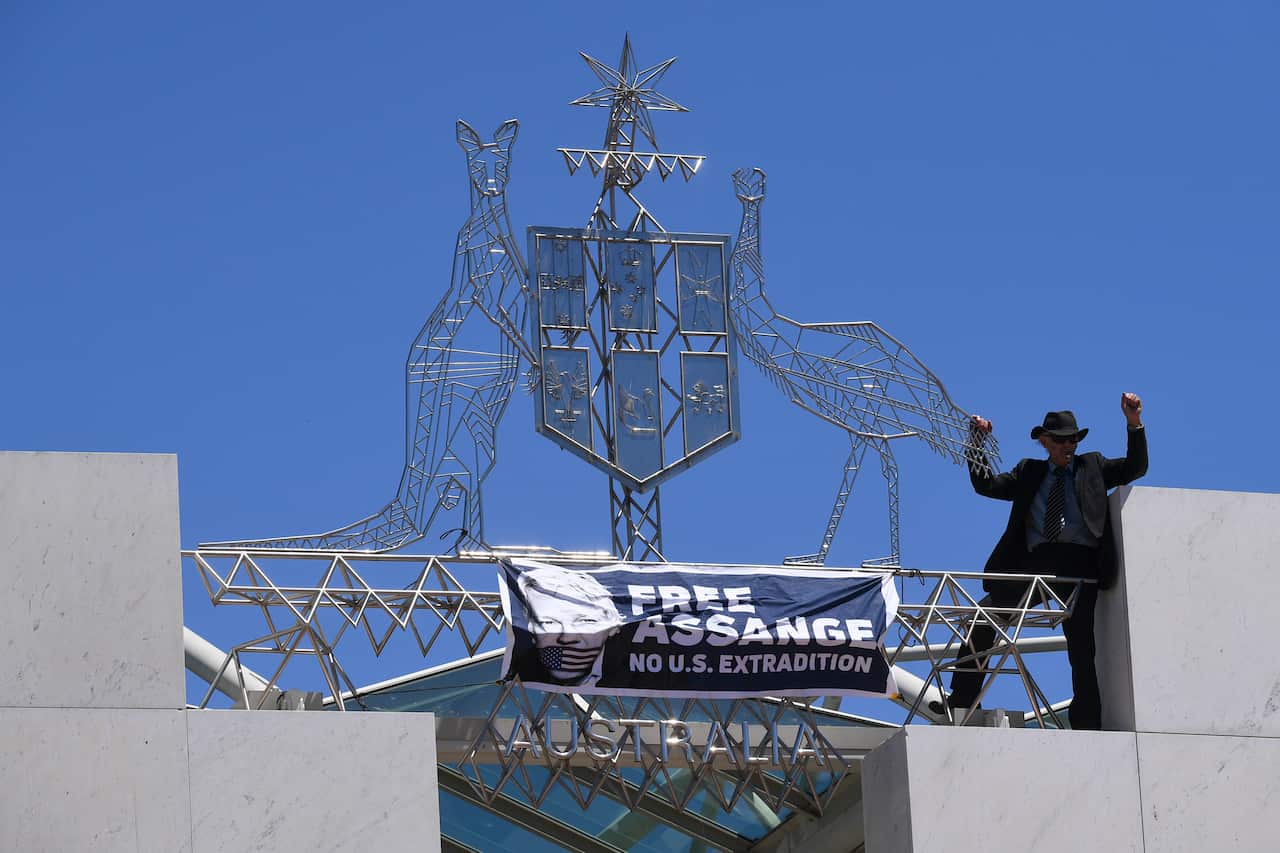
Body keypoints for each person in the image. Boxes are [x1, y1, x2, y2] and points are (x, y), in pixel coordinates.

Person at [935, 392, 1148, 730]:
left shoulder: (1092, 466)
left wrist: (1133, 423)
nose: (1069, 446)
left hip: (1079, 567)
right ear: (1045, 442)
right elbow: (986, 485)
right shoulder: (1029, 472)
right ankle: (961, 700)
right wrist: (977, 441)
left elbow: (1135, 468)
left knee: (1082, 650)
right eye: (1062, 440)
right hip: (1034, 564)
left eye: (1073, 439)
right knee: (985, 616)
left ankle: (1087, 726)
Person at [513, 565, 624, 687]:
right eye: (549, 622)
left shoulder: (631, 677)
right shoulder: (518, 681)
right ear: (529, 626)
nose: (566, 638)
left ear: (613, 627)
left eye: (585, 621)